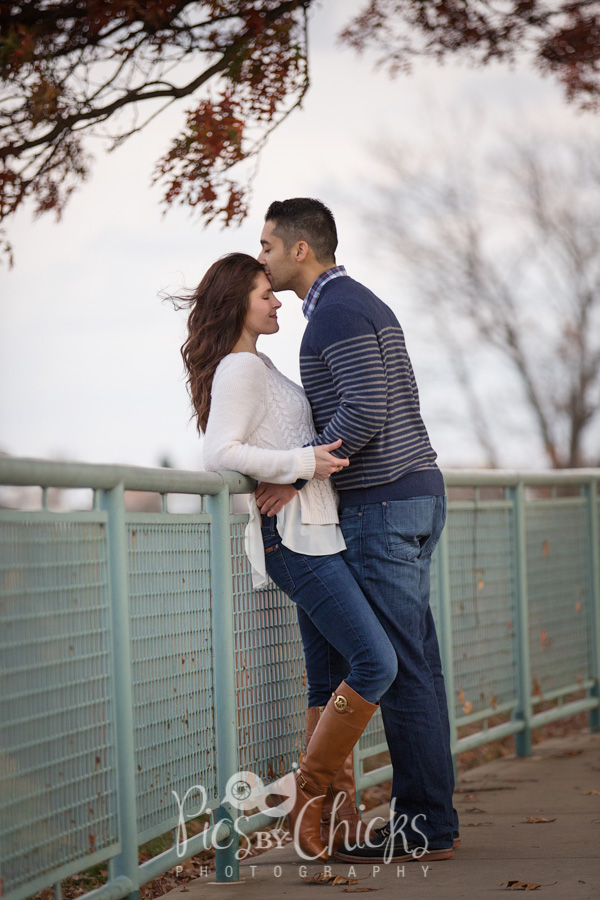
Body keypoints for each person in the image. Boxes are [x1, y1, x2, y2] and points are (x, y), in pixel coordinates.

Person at [177, 251, 399, 861]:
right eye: (264, 294)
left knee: (329, 680)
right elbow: (219, 453)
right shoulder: (239, 370)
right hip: (293, 540)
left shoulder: (261, 364)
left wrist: (303, 464)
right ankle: (307, 796)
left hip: (318, 532)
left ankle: (336, 818)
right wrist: (302, 464)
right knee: (376, 662)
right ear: (236, 304)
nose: (278, 301)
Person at [256, 198, 459, 863]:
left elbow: (366, 406)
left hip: (382, 506)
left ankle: (423, 827)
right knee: (415, 667)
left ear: (300, 250)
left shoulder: (337, 312)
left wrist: (296, 468)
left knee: (398, 672)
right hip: (415, 497)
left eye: (267, 247)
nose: (262, 258)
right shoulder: (361, 303)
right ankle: (432, 820)